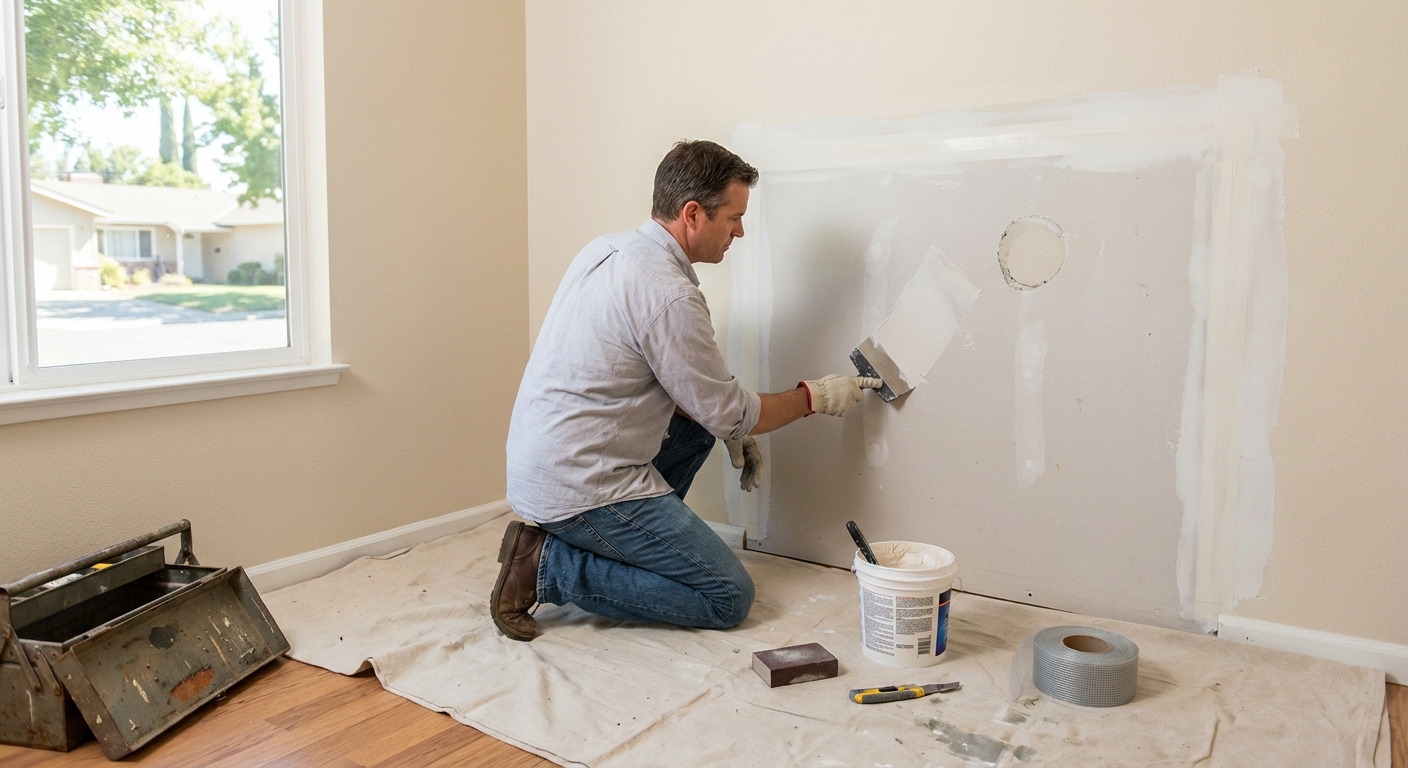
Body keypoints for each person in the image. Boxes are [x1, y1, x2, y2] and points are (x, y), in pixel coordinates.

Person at [494, 140, 880, 641]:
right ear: (692, 214)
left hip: (543, 462)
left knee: (699, 429)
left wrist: (724, 422)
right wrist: (815, 396)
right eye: (733, 218)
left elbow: (687, 394)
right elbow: (732, 414)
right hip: (581, 486)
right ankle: (548, 566)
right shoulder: (669, 294)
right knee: (727, 597)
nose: (739, 231)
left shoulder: (606, 249)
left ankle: (601, 546)